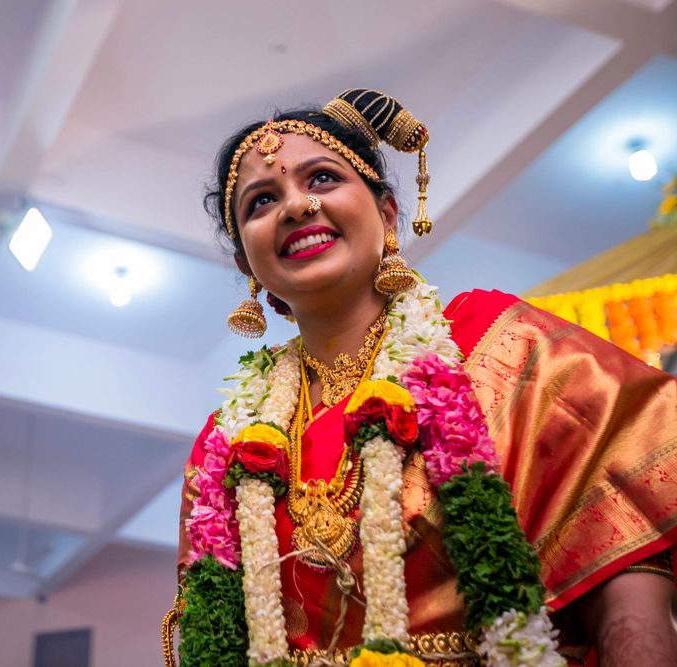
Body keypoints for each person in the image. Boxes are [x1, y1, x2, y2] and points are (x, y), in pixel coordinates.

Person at [163, 89, 677, 667]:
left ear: (386, 214)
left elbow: (625, 551)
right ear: (245, 265)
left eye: (323, 178)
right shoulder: (224, 444)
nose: (297, 206)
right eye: (261, 200)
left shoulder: (498, 346)